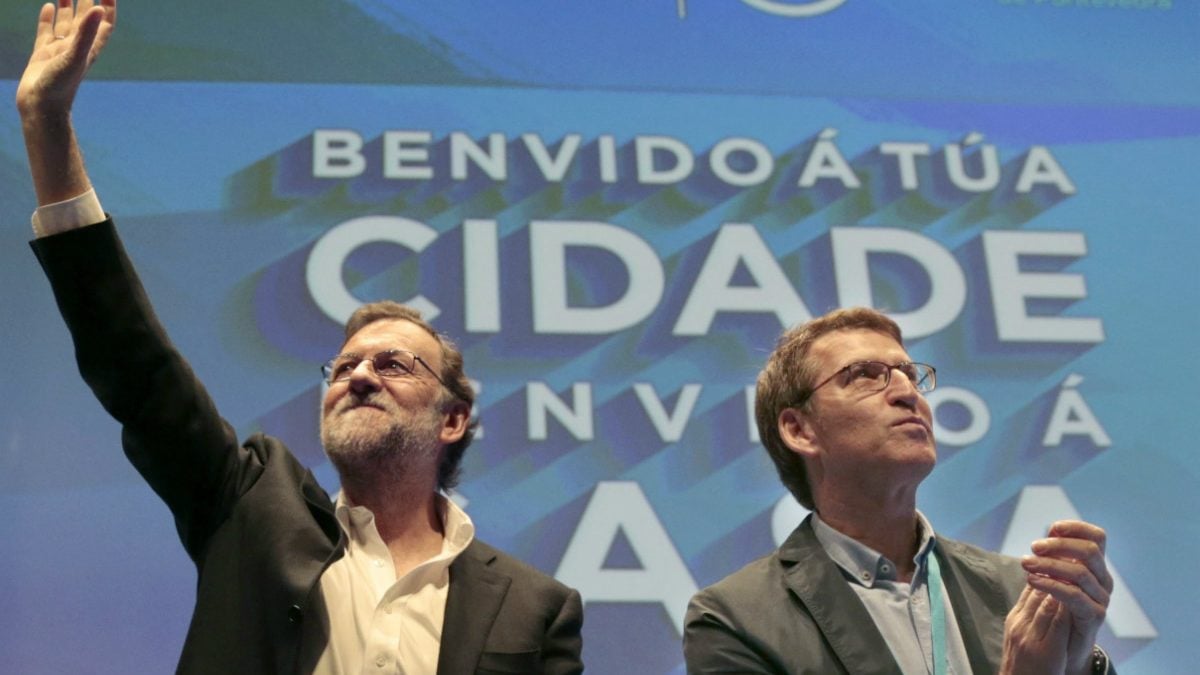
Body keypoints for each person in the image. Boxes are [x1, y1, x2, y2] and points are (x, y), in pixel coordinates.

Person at [18, 2, 583, 673]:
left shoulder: (532, 604)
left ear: (453, 418)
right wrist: (47, 125)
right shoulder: (248, 509)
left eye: (394, 362)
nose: (358, 376)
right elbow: (133, 362)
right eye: (342, 366)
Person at [683, 307, 1114, 674]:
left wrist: (1077, 667)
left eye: (909, 374)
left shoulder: (1019, 590)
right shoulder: (736, 619)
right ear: (799, 429)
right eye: (865, 375)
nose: (907, 392)